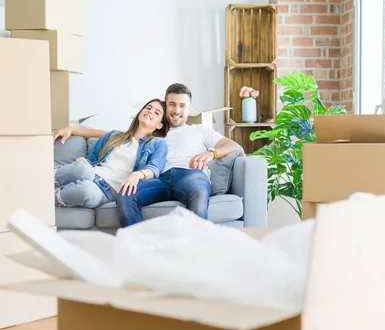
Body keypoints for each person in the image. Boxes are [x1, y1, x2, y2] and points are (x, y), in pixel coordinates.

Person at [54, 83, 244, 226]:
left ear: (189, 109)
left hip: (189, 174)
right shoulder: (151, 137)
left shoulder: (200, 130)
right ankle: (138, 248)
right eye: (171, 104)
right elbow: (111, 135)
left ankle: (194, 247)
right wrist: (73, 129)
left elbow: (235, 146)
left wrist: (212, 153)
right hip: (159, 179)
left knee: (198, 189)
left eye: (182, 105)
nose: (176, 110)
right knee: (125, 194)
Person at [53, 99, 168, 209]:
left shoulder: (158, 143)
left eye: (156, 113)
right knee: (84, 169)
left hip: (106, 192)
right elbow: (91, 160)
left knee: (85, 190)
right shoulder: (114, 135)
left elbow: (155, 168)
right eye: (148, 107)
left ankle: (50, 196)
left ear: (159, 125)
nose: (150, 111)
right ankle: (46, 178)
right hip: (91, 174)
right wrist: (83, 160)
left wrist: (138, 174)